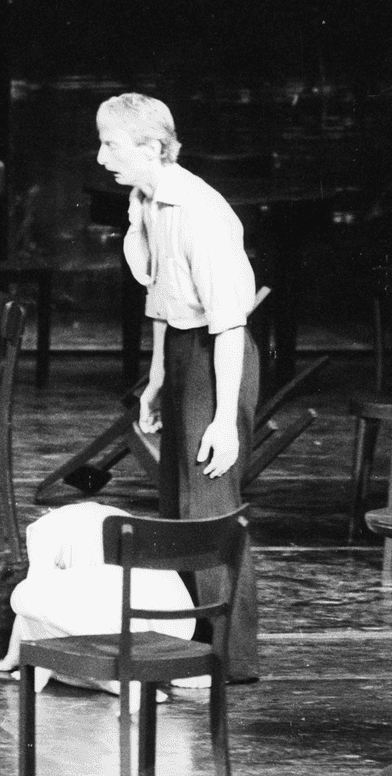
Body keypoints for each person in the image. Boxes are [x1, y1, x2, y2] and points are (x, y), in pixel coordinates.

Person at [94, 92, 260, 683]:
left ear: (152, 147)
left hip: (220, 359)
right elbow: (163, 300)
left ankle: (231, 661)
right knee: (177, 512)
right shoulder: (149, 200)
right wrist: (158, 380)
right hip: (185, 356)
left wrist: (221, 417)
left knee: (210, 510)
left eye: (110, 144)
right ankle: (192, 649)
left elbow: (230, 322)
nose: (100, 157)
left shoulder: (197, 210)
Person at [0, 501, 196, 699]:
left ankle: (115, 681)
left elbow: (31, 597)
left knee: (29, 603)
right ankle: (112, 678)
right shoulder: (76, 519)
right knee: (54, 649)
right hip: (179, 626)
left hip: (139, 627)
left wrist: (14, 660)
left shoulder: (40, 533)